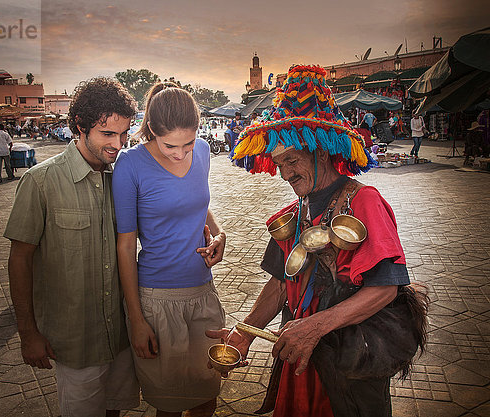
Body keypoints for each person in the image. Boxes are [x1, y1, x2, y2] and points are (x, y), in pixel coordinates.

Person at [209, 65, 428, 417]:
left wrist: (316, 326)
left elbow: (385, 289)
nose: (285, 174)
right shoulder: (297, 210)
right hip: (301, 354)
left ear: (321, 152)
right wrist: (246, 332)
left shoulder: (364, 202)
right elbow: (282, 284)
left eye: (292, 161)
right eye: (279, 164)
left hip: (347, 358)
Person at [4, 77, 140, 417]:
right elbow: (19, 260)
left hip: (122, 336)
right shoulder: (40, 182)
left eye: (123, 135)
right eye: (107, 134)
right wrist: (28, 333)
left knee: (115, 411)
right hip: (75, 343)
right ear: (80, 127)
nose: (118, 145)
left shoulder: (122, 178)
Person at [113, 83, 227, 417]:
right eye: (170, 146)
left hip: (203, 293)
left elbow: (198, 204)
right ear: (151, 131)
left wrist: (219, 235)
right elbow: (125, 245)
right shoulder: (129, 165)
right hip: (157, 300)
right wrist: (136, 319)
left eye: (187, 144)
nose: (180, 153)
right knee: (171, 405)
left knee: (207, 396)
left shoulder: (203, 151)